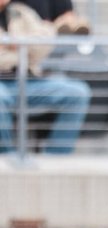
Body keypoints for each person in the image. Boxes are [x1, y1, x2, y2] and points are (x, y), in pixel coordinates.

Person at [0, 0, 92, 155]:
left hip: (28, 80)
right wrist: (24, 51)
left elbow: (45, 43)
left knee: (78, 93)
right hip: (2, 86)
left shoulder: (21, 11)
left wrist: (13, 45)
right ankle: (7, 157)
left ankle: (55, 158)